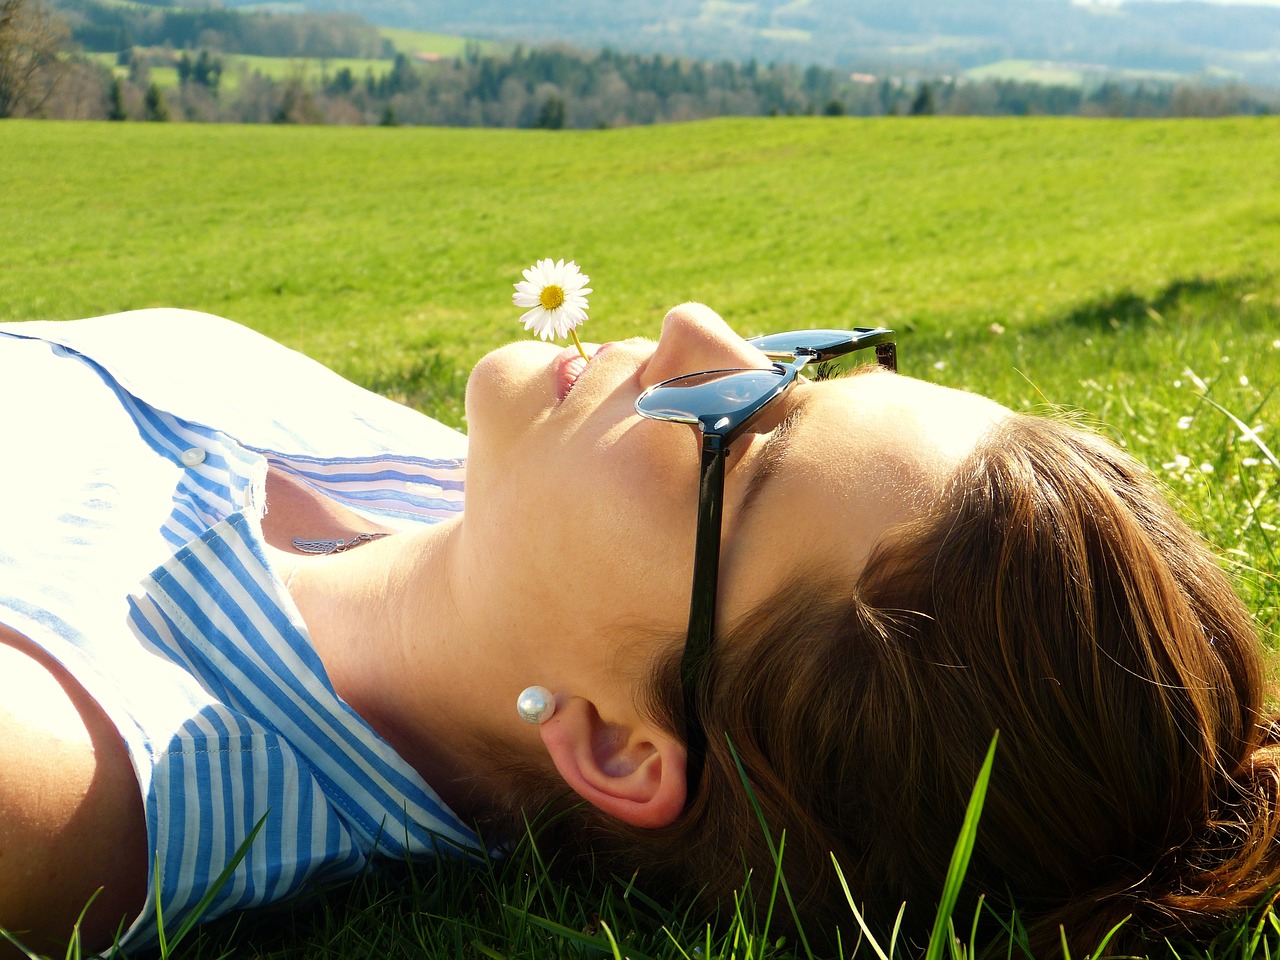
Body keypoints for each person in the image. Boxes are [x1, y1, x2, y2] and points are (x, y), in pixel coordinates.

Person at [0, 303, 1273, 958]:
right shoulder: (476, 500)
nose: (696, 332)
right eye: (801, 370)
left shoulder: (69, 761)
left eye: (731, 440)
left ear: (618, 745)